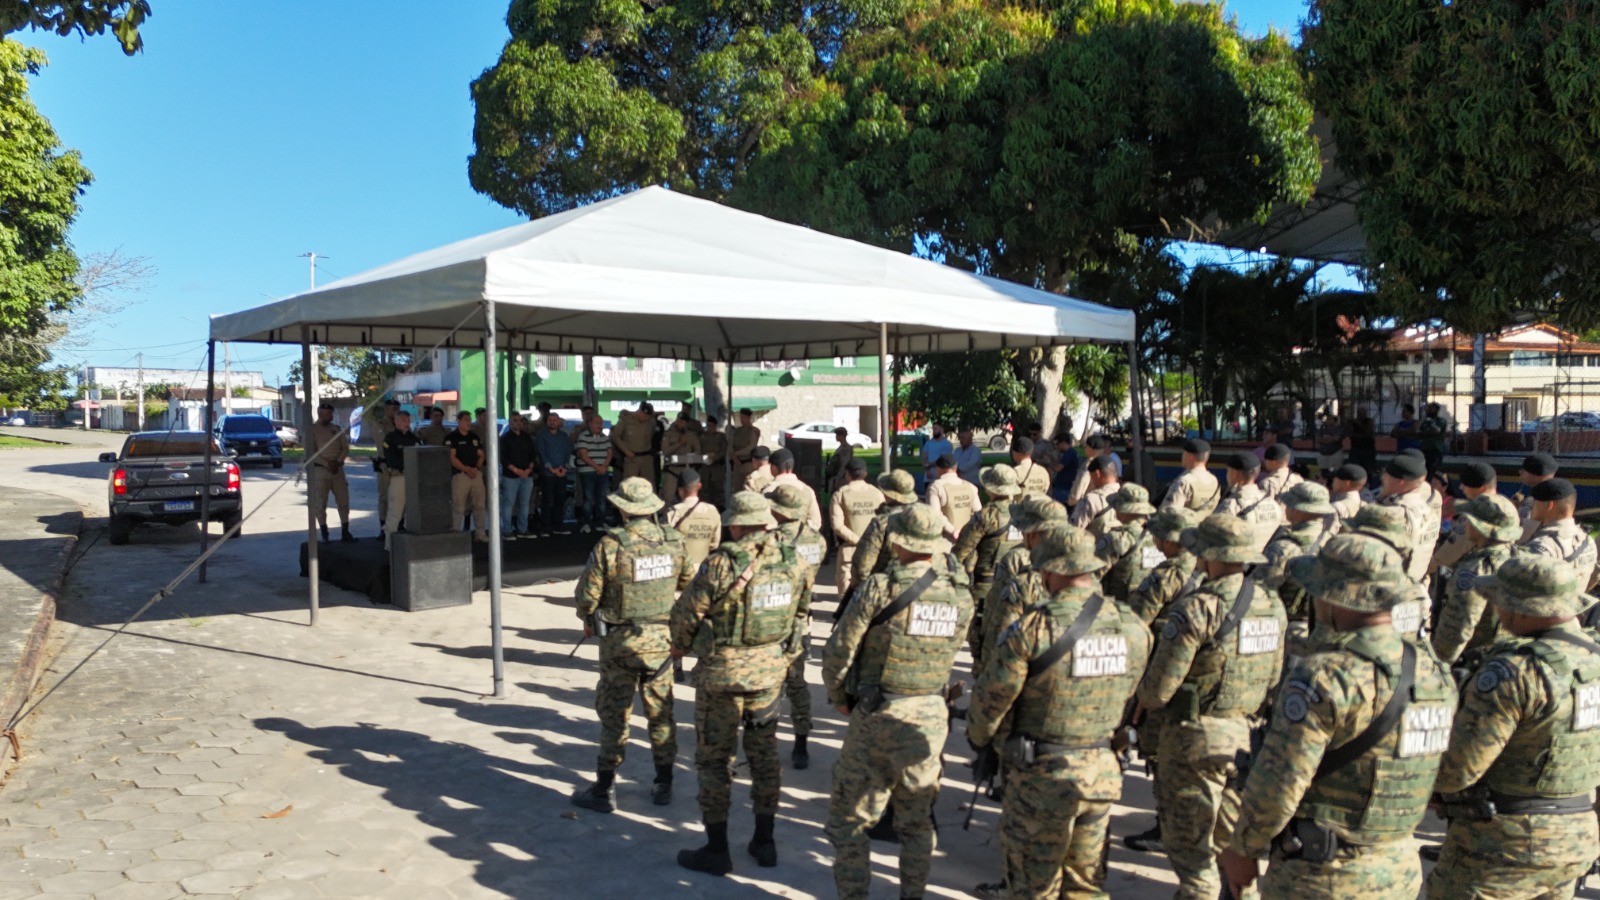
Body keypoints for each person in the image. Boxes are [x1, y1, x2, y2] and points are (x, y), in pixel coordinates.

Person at [1220, 535, 1456, 900]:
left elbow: (1281, 780)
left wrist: (1244, 847)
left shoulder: (1325, 676)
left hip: (1322, 877)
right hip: (1398, 870)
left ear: (1333, 595)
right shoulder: (1433, 671)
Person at [967, 526, 1149, 898]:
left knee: (1033, 886)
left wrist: (982, 740)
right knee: (1085, 884)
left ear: (1051, 570)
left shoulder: (1032, 629)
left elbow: (992, 703)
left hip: (1041, 777)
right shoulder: (1132, 626)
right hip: (1101, 772)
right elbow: (1132, 690)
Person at [1426, 556, 1600, 898]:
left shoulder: (1513, 672)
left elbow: (1456, 772)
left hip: (1499, 848)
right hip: (1575, 841)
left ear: (1522, 608)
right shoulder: (1594, 661)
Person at [824, 504, 974, 900]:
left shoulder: (880, 588)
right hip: (930, 716)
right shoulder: (960, 594)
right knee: (917, 822)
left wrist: (839, 694)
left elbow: (840, 648)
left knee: (850, 819)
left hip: (879, 714)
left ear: (898, 543)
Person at [1134, 513, 1284, 899]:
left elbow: (1158, 691)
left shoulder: (1198, 608)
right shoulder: (1271, 603)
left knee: (1193, 855)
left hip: (1194, 742)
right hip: (1247, 739)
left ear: (1209, 555)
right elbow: (1273, 680)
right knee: (1231, 852)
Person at [669, 492, 811, 876]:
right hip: (769, 674)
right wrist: (782, 657)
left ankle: (717, 850)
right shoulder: (794, 561)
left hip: (722, 677)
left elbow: (686, 615)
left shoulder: (720, 565)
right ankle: (765, 841)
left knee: (715, 762)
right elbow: (801, 615)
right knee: (765, 758)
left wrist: (680, 647)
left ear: (736, 525)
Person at [570, 477, 693, 813]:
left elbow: (587, 596)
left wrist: (587, 616)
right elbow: (688, 582)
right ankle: (664, 783)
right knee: (661, 715)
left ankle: (604, 789)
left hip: (620, 646)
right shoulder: (674, 541)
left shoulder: (611, 545)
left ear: (623, 510)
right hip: (661, 644)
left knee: (615, 717)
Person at [1122, 507, 1202, 855]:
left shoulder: (1165, 575)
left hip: (1161, 669)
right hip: (1195, 673)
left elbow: (1137, 622)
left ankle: (1167, 825)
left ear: (1170, 540)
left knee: (1159, 752)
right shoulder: (1204, 569)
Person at [1430, 493, 1521, 665]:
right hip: (1505, 656)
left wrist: (1438, 664)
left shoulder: (1474, 569)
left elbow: (1457, 628)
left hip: (1473, 661)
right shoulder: (1516, 557)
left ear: (1479, 527)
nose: (1465, 523)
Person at [770, 484, 824, 770]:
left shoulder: (772, 540)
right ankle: (801, 744)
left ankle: (765, 743)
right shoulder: (817, 539)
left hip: (773, 620)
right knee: (798, 684)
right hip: (800, 622)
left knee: (768, 686)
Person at [1254, 482, 1337, 658]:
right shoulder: (1334, 544)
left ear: (1298, 510)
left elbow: (1259, 591)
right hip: (1322, 631)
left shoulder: (1284, 548)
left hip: (1288, 630)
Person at [951, 466, 1023, 640]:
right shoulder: (1022, 513)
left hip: (986, 584)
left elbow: (962, 550)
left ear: (990, 489)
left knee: (980, 634)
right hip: (1017, 581)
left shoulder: (986, 515)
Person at [1375, 451, 1443, 585]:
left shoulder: (1396, 507)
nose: (1383, 477)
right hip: (1419, 575)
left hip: (1395, 581)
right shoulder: (1434, 496)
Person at [1523, 477, 1599, 590]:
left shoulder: (1542, 546)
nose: (1532, 507)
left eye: (1536, 502)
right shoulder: (1588, 541)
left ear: (1549, 505)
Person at [851, 470, 919, 588]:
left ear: (887, 494)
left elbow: (862, 567)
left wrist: (859, 589)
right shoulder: (924, 519)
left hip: (887, 587)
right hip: (920, 586)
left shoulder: (881, 523)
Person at [1096, 483, 1160, 607]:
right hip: (1146, 606)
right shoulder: (1156, 537)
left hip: (1117, 607)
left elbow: (1092, 575)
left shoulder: (1117, 539)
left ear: (1124, 510)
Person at [830, 459, 885, 602]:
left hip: (849, 550)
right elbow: (884, 521)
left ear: (847, 474)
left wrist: (858, 540)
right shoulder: (877, 493)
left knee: (846, 597)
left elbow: (837, 526)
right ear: (865, 474)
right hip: (874, 549)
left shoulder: (841, 494)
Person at [1431, 460, 1499, 569]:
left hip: (1475, 571)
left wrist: (1427, 568)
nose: (1461, 488)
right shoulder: (1508, 507)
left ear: (1481, 488)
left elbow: (1447, 555)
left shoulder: (1473, 515)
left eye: (1465, 484)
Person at [305, 401, 354, 543]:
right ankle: (324, 533)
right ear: (320, 414)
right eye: (327, 413)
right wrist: (327, 464)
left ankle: (345, 531)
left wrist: (338, 461)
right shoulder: (311, 430)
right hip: (320, 470)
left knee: (343, 501)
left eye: (331, 413)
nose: (330, 416)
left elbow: (344, 448)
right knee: (320, 503)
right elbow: (311, 452)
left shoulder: (336, 429)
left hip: (337, 470)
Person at [1219, 451, 1282, 555]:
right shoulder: (1273, 504)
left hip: (1238, 560)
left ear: (1235, 474)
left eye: (1228, 471)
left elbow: (1213, 537)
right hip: (1265, 560)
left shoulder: (1232, 505)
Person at [442, 412, 489, 542]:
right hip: (460, 475)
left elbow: (481, 455)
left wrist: (476, 468)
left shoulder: (474, 437)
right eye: (466, 420)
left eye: (470, 419)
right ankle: (455, 533)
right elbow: (452, 458)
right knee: (458, 506)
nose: (469, 422)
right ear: (459, 421)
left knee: (479, 504)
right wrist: (466, 469)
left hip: (476, 474)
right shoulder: (452, 437)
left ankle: (480, 533)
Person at [664, 468, 721, 571]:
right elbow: (714, 544)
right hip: (703, 570)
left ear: (680, 489)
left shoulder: (674, 512)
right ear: (699, 486)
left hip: (680, 570)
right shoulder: (712, 511)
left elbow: (665, 544)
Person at [381, 410, 419, 544]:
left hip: (414, 478)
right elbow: (391, 459)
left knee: (414, 512)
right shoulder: (390, 438)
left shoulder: (413, 438)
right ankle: (389, 544)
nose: (406, 423)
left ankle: (412, 543)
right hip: (399, 477)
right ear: (396, 421)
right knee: (395, 512)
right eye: (403, 421)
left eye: (408, 421)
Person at [761, 448, 822, 530]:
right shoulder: (807, 490)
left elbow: (764, 521)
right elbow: (816, 521)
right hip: (802, 535)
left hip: (775, 536)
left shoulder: (768, 490)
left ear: (774, 467)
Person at [532, 412, 573, 536]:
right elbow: (542, 454)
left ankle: (558, 525)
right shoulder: (542, 435)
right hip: (547, 473)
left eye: (555, 420)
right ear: (547, 422)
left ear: (559, 422)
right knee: (547, 500)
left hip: (562, 472)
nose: (552, 422)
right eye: (550, 420)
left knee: (560, 500)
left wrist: (565, 467)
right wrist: (551, 469)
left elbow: (567, 452)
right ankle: (546, 526)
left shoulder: (563, 436)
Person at [498, 412, 537, 539]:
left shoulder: (527, 437)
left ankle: (522, 529)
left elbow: (532, 455)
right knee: (508, 503)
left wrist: (529, 469)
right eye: (515, 420)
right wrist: (516, 470)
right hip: (510, 476)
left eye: (520, 420)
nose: (518, 423)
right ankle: (507, 530)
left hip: (527, 475)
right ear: (510, 422)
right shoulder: (505, 438)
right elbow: (503, 458)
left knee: (524, 503)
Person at [925, 452, 981, 540]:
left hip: (944, 539)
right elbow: (978, 513)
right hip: (967, 539)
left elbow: (935, 515)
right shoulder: (971, 487)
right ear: (956, 467)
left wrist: (953, 531)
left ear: (939, 469)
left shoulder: (936, 487)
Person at [573, 414, 613, 533]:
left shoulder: (604, 437)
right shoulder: (583, 436)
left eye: (601, 423)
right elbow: (583, 455)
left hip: (602, 470)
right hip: (587, 471)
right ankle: (586, 523)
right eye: (597, 423)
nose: (599, 426)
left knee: (602, 497)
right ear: (590, 424)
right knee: (588, 498)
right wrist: (597, 467)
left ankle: (601, 522)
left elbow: (610, 452)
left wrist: (604, 466)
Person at [1161, 438, 1221, 516]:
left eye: (1184, 454)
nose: (1182, 456)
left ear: (1190, 457)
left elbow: (1168, 514)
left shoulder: (1183, 483)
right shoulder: (1214, 480)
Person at [1513, 451, 1559, 541]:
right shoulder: (1552, 494)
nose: (1520, 472)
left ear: (1537, 473)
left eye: (1525, 469)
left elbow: (1521, 537)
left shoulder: (1543, 500)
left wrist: (1512, 509)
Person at [1069, 456, 1119, 535]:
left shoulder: (1092, 499)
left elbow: (1073, 531)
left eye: (1092, 477)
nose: (1092, 482)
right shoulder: (1127, 497)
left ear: (1097, 474)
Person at [658, 413, 701, 502]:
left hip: (686, 469)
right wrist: (679, 444)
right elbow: (665, 451)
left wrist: (691, 456)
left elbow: (698, 451)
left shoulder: (691, 435)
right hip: (672, 470)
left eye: (683, 422)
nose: (681, 423)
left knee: (688, 497)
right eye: (679, 421)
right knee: (668, 497)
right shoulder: (669, 434)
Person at [611, 403, 657, 485]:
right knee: (629, 484)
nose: (646, 418)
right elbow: (615, 436)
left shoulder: (652, 422)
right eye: (645, 416)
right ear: (639, 411)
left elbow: (653, 435)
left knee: (648, 484)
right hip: (631, 458)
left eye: (648, 416)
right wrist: (625, 450)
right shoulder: (626, 420)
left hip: (646, 458)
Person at [375, 399, 402, 535]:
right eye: (393, 409)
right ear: (386, 410)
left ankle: (399, 525)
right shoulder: (381, 424)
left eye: (397, 409)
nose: (395, 411)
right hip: (385, 465)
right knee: (385, 497)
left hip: (399, 466)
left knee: (400, 497)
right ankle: (383, 528)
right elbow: (383, 444)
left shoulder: (401, 424)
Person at [1256, 443, 1304, 509]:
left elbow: (1264, 509)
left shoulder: (1267, 483)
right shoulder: (1298, 479)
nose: (1264, 462)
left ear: (1273, 462)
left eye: (1266, 460)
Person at [698, 415, 729, 506]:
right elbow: (698, 449)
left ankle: (720, 506)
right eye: (708, 425)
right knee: (704, 488)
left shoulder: (721, 437)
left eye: (712, 425)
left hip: (717, 466)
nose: (710, 428)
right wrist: (705, 457)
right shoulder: (701, 436)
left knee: (718, 488)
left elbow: (723, 450)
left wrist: (714, 458)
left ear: (715, 426)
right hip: (705, 466)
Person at [1328, 463, 1366, 530]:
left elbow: (1329, 533)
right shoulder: (1366, 506)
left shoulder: (1337, 507)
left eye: (1335, 479)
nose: (1333, 481)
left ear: (1347, 483)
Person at [729, 408, 761, 484]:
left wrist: (736, 454)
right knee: (737, 486)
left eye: (744, 417)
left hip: (748, 462)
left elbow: (751, 447)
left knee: (748, 484)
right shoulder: (737, 431)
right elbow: (731, 445)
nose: (742, 420)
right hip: (737, 462)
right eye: (741, 417)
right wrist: (734, 457)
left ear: (749, 418)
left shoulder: (753, 431)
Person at [1418, 401, 1450, 476]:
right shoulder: (1425, 421)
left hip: (1435, 449)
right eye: (1427, 408)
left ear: (1436, 410)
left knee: (1433, 471)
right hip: (1424, 449)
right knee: (1423, 471)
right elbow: (1417, 431)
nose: (1427, 410)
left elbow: (1436, 431)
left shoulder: (1441, 420)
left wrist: (1426, 431)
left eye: (1430, 408)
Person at [1050, 433, 1079, 506]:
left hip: (1063, 487)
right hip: (1063, 486)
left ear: (1063, 443)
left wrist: (1049, 463)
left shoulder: (1069, 453)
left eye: (1057, 444)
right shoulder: (1071, 452)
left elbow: (1058, 468)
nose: (1057, 446)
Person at [1314, 412, 1346, 476]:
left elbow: (1336, 439)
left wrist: (1325, 439)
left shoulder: (1339, 429)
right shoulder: (1322, 428)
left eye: (1330, 419)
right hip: (1323, 453)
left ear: (1335, 421)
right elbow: (1318, 439)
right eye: (1327, 419)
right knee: (1323, 472)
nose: (1328, 421)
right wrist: (1328, 439)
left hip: (1334, 453)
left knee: (1334, 472)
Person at [1348, 407, 1378, 475]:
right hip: (1356, 449)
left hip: (1368, 449)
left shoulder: (1369, 421)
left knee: (1368, 470)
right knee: (1355, 470)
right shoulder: (1352, 422)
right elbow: (1350, 434)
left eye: (1363, 413)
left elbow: (1368, 432)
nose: (1361, 415)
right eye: (1360, 413)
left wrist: (1358, 424)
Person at [825, 426, 854, 493]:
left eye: (837, 435)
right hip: (836, 476)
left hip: (841, 478)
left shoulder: (845, 449)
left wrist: (838, 478)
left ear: (842, 436)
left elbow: (844, 464)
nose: (836, 437)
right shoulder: (841, 448)